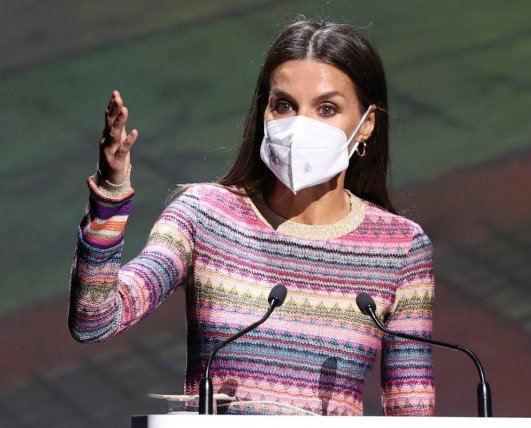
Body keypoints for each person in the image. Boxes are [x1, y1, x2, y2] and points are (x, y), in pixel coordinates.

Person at [69, 18, 435, 416]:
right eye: (284, 105)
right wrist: (110, 192)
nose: (300, 126)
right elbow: (95, 320)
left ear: (366, 125)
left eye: (327, 109)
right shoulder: (205, 214)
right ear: (264, 112)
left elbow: (411, 412)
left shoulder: (400, 248)